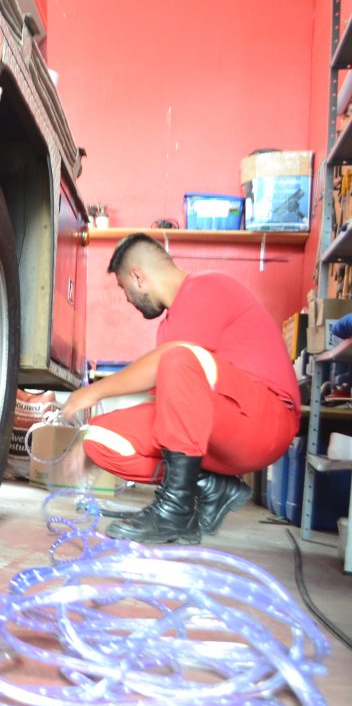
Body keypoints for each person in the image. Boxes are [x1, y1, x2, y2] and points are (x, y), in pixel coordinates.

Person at [59, 233, 300, 544]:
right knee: (99, 437)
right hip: (217, 433)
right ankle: (211, 485)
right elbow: (170, 416)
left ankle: (174, 510)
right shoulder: (169, 328)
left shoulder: (208, 287)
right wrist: (88, 438)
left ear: (138, 276)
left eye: (124, 289)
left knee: (177, 359)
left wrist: (94, 391)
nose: (128, 299)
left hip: (265, 423)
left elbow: (175, 363)